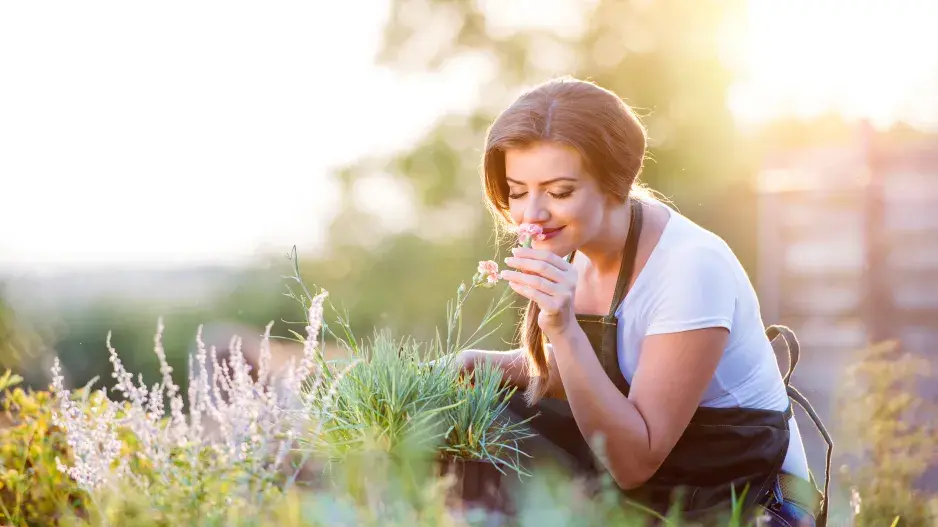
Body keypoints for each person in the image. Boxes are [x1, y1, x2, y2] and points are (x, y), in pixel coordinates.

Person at [453, 77, 832, 526]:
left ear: (615, 181)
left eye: (558, 192)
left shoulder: (690, 268)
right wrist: (477, 364)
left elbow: (635, 463)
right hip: (666, 484)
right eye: (517, 192)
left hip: (745, 500)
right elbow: (609, 369)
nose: (531, 214)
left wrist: (562, 327)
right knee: (467, 424)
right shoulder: (575, 242)